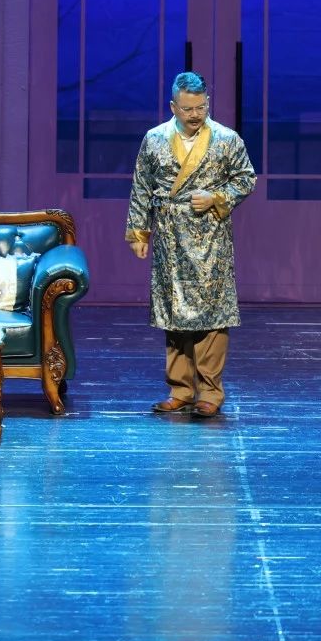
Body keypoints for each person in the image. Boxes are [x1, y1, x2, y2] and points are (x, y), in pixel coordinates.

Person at [126, 71, 256, 419]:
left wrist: (216, 197)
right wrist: (139, 232)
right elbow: (142, 186)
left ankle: (210, 391)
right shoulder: (155, 139)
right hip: (170, 236)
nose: (195, 114)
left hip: (209, 237)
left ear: (207, 103)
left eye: (200, 107)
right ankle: (180, 389)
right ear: (173, 107)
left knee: (212, 314)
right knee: (174, 311)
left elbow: (246, 178)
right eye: (187, 109)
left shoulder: (226, 139)